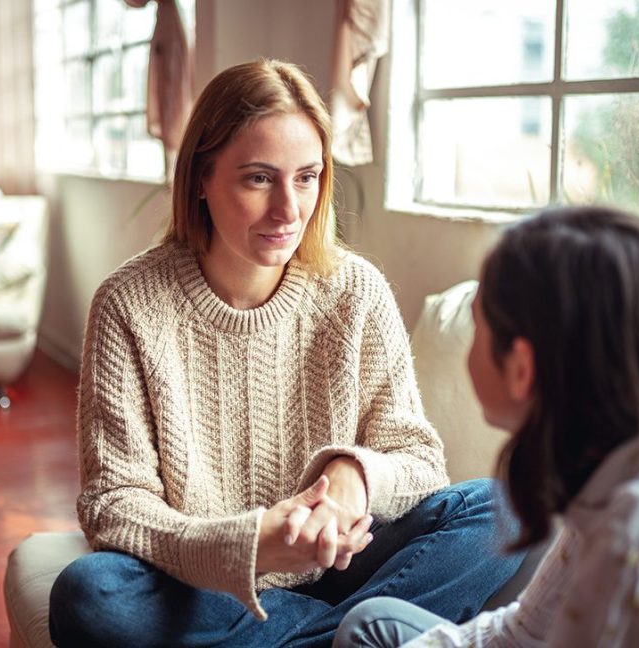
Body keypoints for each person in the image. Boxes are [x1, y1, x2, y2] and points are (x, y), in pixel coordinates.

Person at [46, 59, 525, 647]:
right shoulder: (129, 304)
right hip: (205, 587)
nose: (289, 209)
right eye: (257, 178)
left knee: (505, 508)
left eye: (307, 177)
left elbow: (418, 457)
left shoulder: (356, 290)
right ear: (201, 177)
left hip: (346, 571)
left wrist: (354, 476)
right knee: (89, 596)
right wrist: (251, 544)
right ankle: (351, 637)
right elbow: (114, 504)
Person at [334, 206, 639, 647]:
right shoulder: (632, 465)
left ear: (522, 367)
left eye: (480, 325)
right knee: (373, 624)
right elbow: (526, 632)